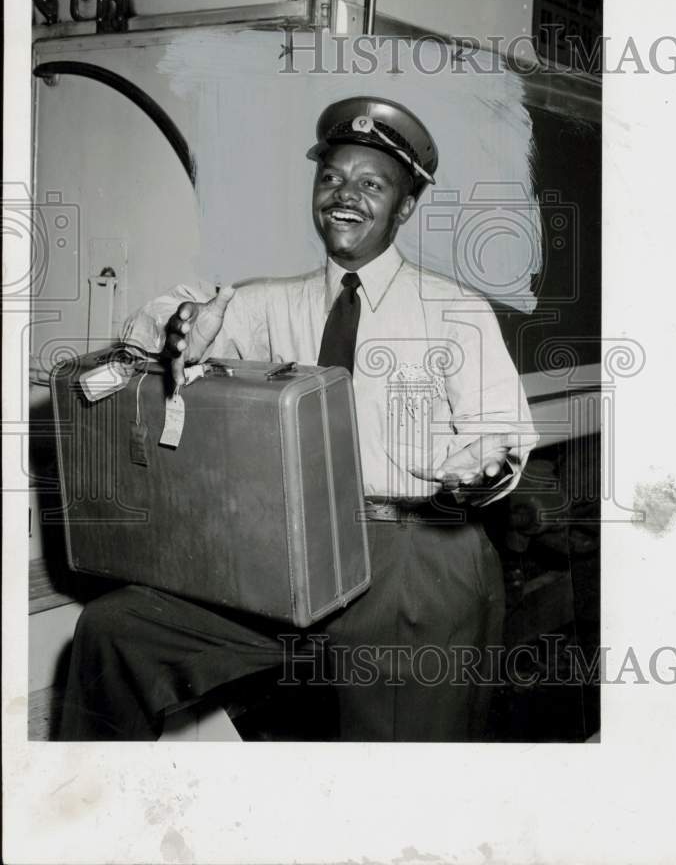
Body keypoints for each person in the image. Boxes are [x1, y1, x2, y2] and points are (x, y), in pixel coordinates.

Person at [58, 96, 536, 742]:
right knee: (116, 630)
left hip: (415, 552)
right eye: (331, 177)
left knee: (401, 771)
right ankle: (87, 819)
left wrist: (478, 469)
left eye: (372, 184)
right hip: (286, 550)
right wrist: (176, 330)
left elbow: (500, 436)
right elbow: (157, 336)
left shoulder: (455, 309)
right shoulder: (262, 303)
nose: (345, 195)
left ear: (405, 206)